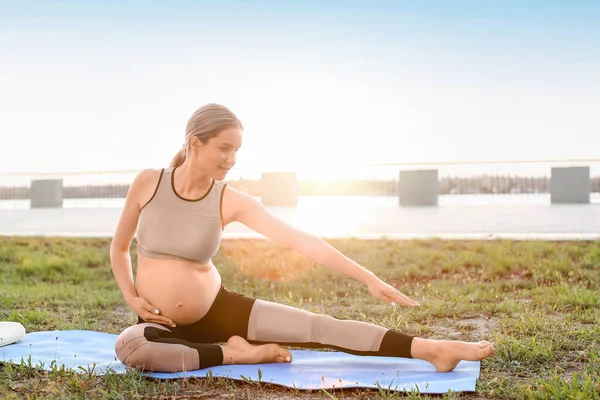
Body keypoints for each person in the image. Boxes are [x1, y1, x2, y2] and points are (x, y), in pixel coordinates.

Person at [111, 103, 494, 373]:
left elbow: (301, 241)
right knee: (130, 348)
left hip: (218, 308)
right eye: (224, 148)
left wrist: (368, 278)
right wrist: (131, 295)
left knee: (319, 327)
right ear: (195, 143)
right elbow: (119, 247)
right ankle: (235, 355)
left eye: (237, 151)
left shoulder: (230, 200)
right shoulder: (149, 182)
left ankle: (434, 350)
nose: (231, 160)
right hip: (161, 326)